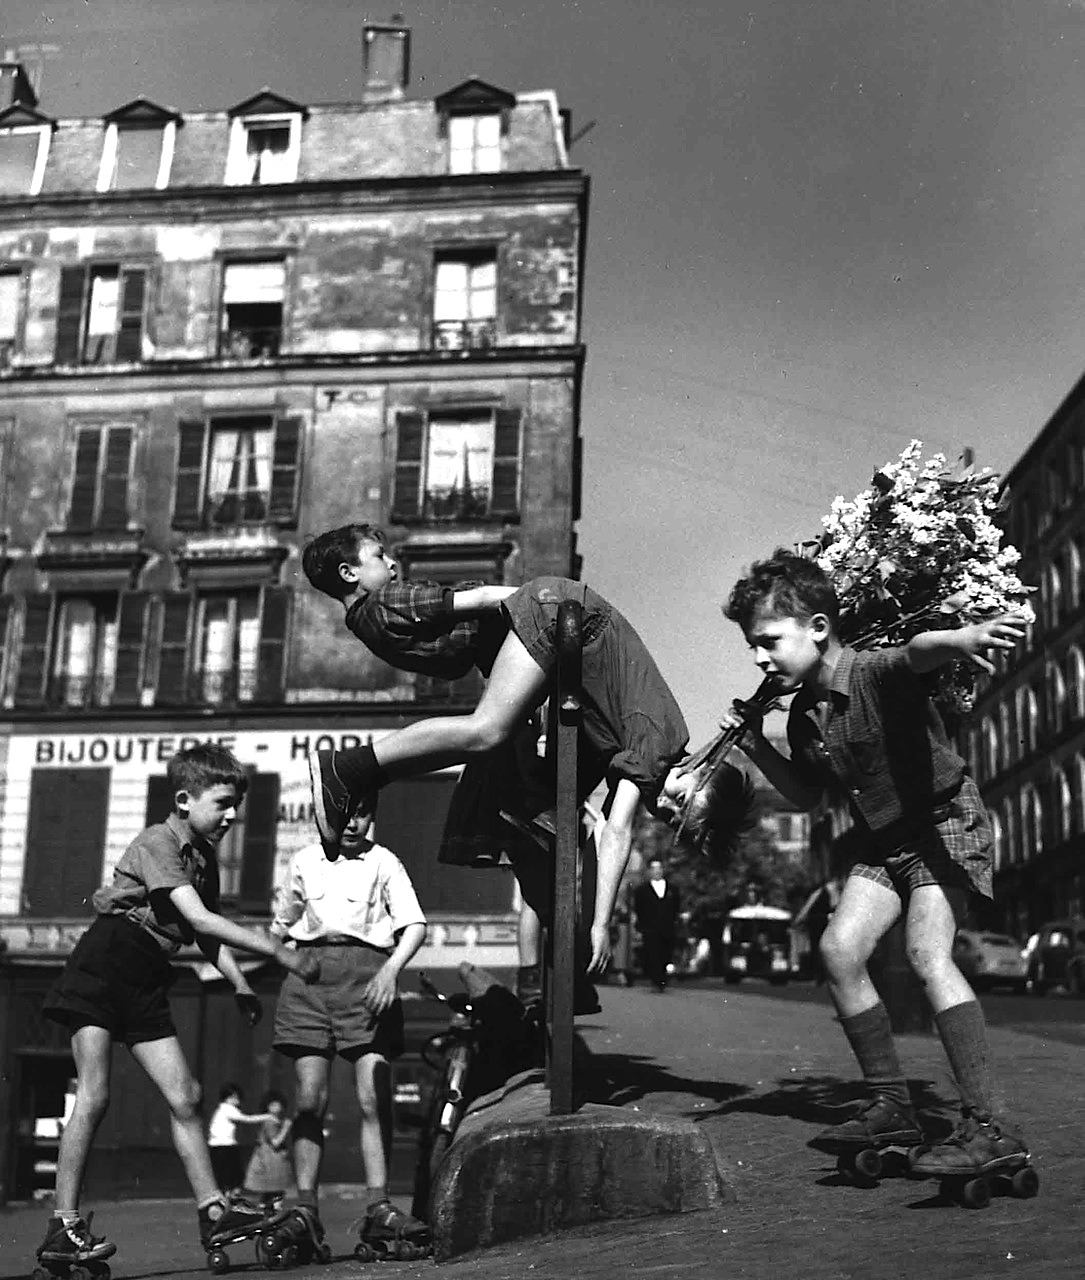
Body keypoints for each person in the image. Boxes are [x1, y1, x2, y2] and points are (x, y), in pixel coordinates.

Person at [300, 524, 751, 980]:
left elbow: (600, 837)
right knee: (488, 730)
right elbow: (617, 833)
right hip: (562, 616)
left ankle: (548, 973)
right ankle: (349, 767)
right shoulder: (660, 747)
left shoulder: (649, 751)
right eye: (681, 800)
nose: (665, 807)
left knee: (533, 804)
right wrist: (600, 925)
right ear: (700, 765)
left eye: (672, 819)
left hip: (564, 622)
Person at [720, 548, 1031, 1177]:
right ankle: (893, 1105)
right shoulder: (805, 714)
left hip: (945, 825)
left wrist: (963, 635)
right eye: (752, 645)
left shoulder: (868, 672)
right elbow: (808, 796)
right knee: (838, 951)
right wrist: (755, 742)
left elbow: (914, 653)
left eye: (769, 641)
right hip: (883, 841)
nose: (759, 657)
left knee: (928, 954)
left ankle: (992, 1127)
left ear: (818, 627)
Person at [36, 744, 320, 1274]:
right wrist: (279, 951)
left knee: (186, 1095)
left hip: (146, 976)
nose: (233, 815)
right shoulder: (158, 841)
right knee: (94, 1095)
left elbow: (204, 933)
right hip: (105, 962)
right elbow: (201, 920)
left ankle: (213, 1210)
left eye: (236, 805)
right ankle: (62, 1225)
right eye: (223, 803)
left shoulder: (203, 860)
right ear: (185, 800)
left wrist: (237, 983)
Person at [270, 791, 431, 1259]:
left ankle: (379, 1206)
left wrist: (389, 971)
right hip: (310, 979)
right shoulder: (302, 861)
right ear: (323, 816)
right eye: (342, 814)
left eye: (362, 814)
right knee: (309, 1099)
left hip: (369, 977)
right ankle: (304, 1210)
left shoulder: (384, 862)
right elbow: (281, 927)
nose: (352, 823)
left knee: (371, 1097)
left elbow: (414, 925)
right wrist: (279, 964)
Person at [207, 1083, 275, 1197]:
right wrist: (267, 1116)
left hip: (219, 1146)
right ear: (228, 1098)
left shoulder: (222, 1109)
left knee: (224, 1174)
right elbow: (246, 1119)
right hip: (224, 1147)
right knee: (232, 1175)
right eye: (234, 1097)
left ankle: (227, 1196)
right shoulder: (227, 1109)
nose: (237, 1100)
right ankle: (230, 1197)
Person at [240, 1090, 294, 1212]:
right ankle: (272, 1216)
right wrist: (286, 1128)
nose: (276, 1107)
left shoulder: (272, 1120)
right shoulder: (271, 1121)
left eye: (278, 1104)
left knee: (269, 1195)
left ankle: (265, 1215)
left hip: (269, 1160)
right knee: (275, 1193)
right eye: (273, 1105)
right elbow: (276, 1142)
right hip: (271, 1162)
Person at [633, 857, 681, 991]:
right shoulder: (641, 890)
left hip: (668, 928)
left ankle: (662, 977)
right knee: (653, 954)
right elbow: (639, 909)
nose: (657, 871)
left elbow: (676, 907)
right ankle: (657, 981)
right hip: (650, 929)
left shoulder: (673, 889)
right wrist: (642, 926)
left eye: (659, 868)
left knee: (666, 954)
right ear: (649, 871)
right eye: (654, 868)